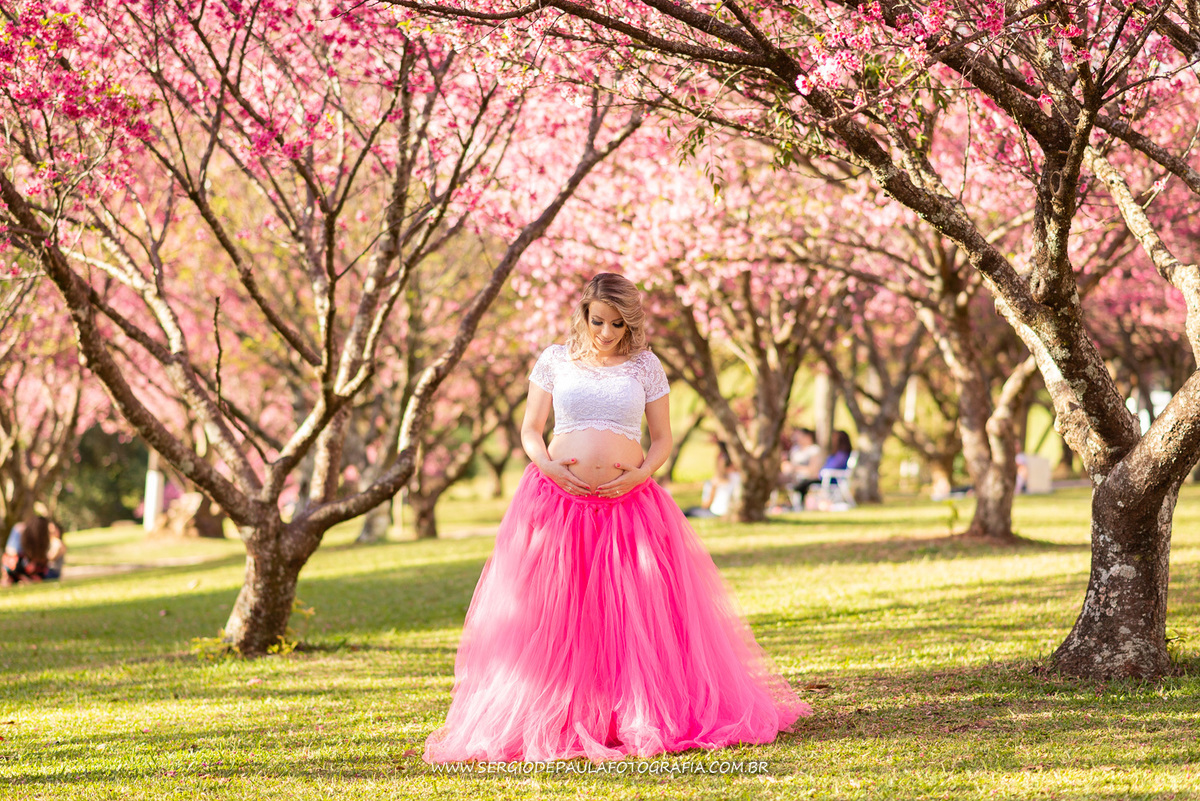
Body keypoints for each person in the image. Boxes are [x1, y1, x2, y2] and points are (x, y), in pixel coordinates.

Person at [424, 273, 811, 764]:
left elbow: (663, 439)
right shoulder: (555, 360)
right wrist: (547, 466)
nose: (606, 332)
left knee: (632, 618)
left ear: (631, 324)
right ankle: (565, 714)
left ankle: (628, 714)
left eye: (617, 324)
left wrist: (641, 474)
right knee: (560, 615)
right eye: (598, 321)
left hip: (629, 505)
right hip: (557, 501)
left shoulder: (645, 365)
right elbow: (530, 430)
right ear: (583, 315)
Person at [792, 430, 853, 510]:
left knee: (805, 484)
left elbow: (831, 468)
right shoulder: (835, 454)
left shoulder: (841, 455)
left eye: (835, 438)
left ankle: (800, 505)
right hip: (823, 477)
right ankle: (799, 505)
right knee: (804, 482)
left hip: (831, 480)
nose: (832, 440)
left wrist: (821, 473)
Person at [683, 441, 742, 518]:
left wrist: (712, 488)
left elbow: (705, 505)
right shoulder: (738, 477)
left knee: (689, 511)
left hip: (716, 512)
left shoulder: (716, 481)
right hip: (723, 511)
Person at [2, 515, 53, 585]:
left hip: (28, 569)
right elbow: (11, 553)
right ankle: (20, 578)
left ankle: (23, 579)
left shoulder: (42, 542)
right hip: (17, 567)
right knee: (14, 561)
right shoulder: (20, 529)